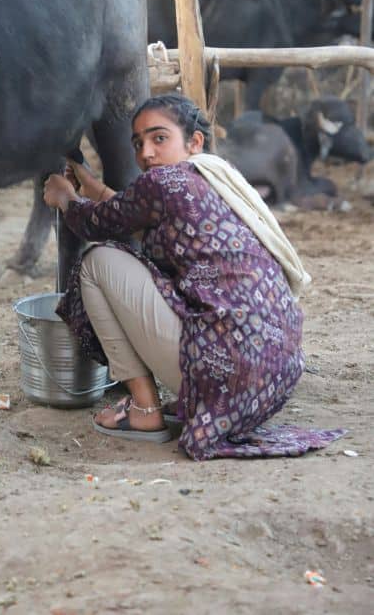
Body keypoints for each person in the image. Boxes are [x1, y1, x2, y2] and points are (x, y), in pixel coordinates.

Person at [43, 93, 345, 460]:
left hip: (224, 375)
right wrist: (88, 182)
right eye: (138, 143)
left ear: (194, 142)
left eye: (159, 138)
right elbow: (124, 209)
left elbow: (96, 222)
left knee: (98, 262)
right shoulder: (218, 180)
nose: (146, 154)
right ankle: (181, 404)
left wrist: (66, 198)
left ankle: (143, 410)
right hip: (269, 384)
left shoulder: (163, 184)